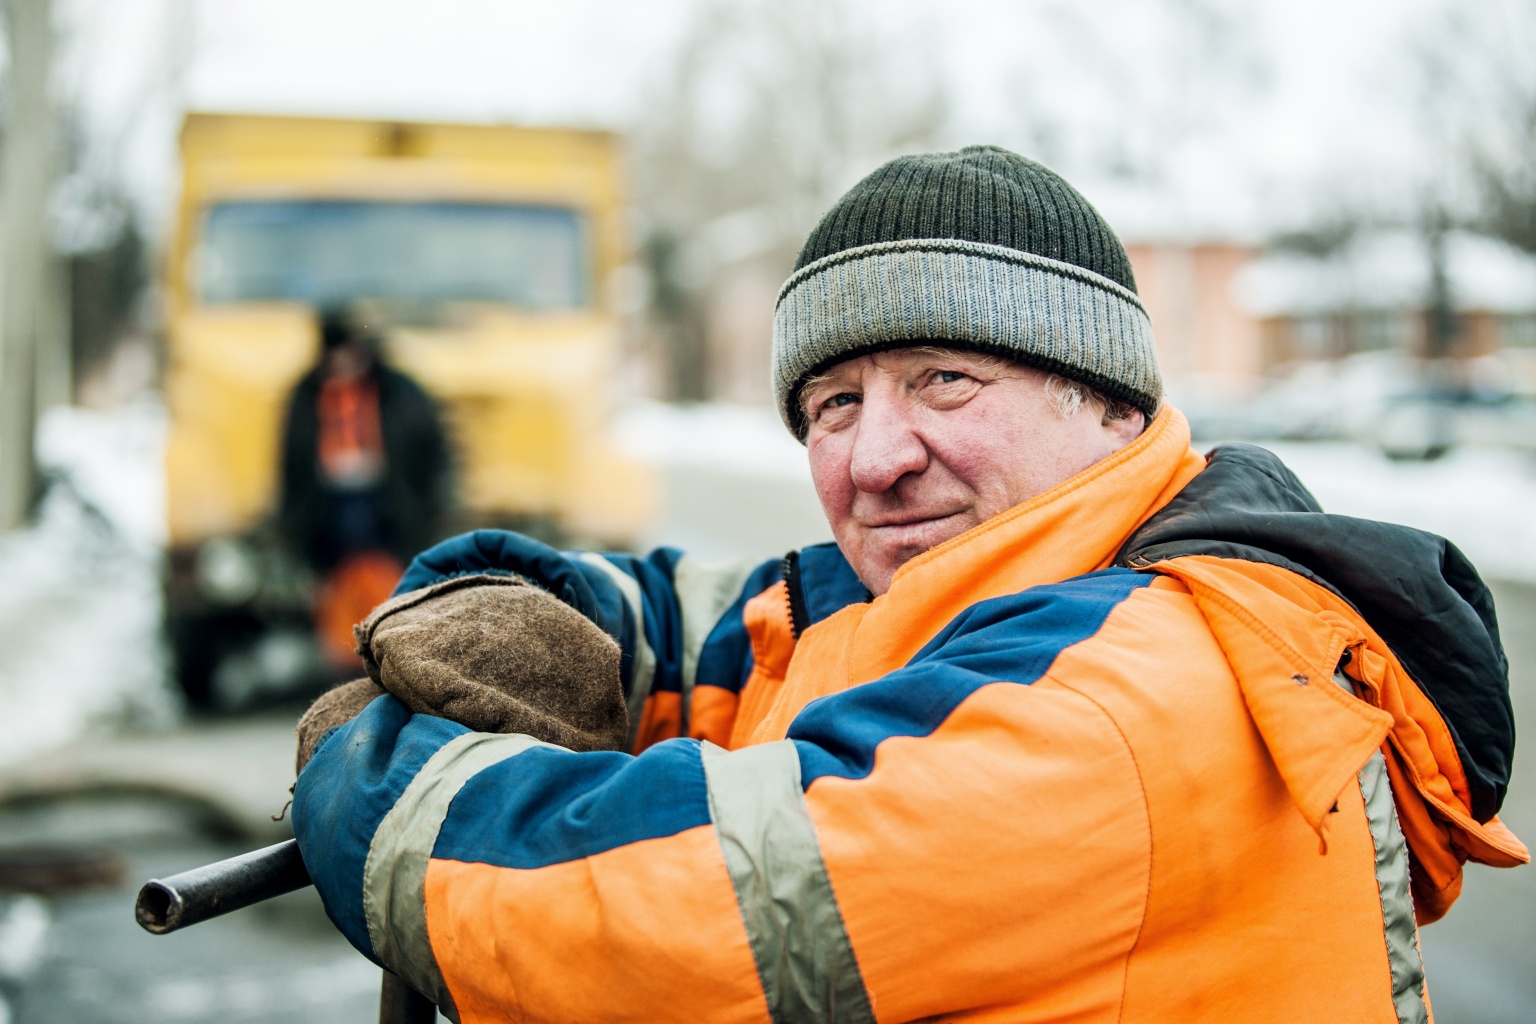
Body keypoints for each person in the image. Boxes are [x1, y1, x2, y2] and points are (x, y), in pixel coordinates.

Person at [291, 147, 1527, 1022]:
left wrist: (382, 784)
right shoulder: (1027, 587)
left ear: (1105, 399)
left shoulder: (1115, 706)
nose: (875, 457)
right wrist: (568, 610)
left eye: (944, 379)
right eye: (835, 404)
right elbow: (757, 622)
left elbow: (671, 910)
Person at [277, 309, 451, 671]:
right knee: (340, 578)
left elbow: (429, 453)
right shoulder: (307, 395)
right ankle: (348, 659)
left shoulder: (398, 392)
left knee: (386, 574)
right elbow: (292, 461)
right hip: (330, 504)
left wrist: (427, 505)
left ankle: (392, 649)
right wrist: (294, 521)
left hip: (384, 503)